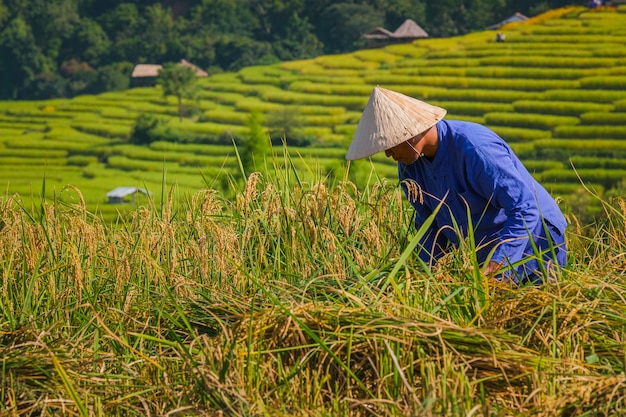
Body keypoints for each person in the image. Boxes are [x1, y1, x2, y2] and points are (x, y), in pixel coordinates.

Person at [345, 86, 567, 285]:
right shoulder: (409, 168)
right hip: (486, 254)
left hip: (535, 243)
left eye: (390, 144)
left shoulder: (474, 149)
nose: (387, 153)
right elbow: (430, 226)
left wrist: (496, 266)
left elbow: (524, 208)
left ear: (410, 135)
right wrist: (420, 276)